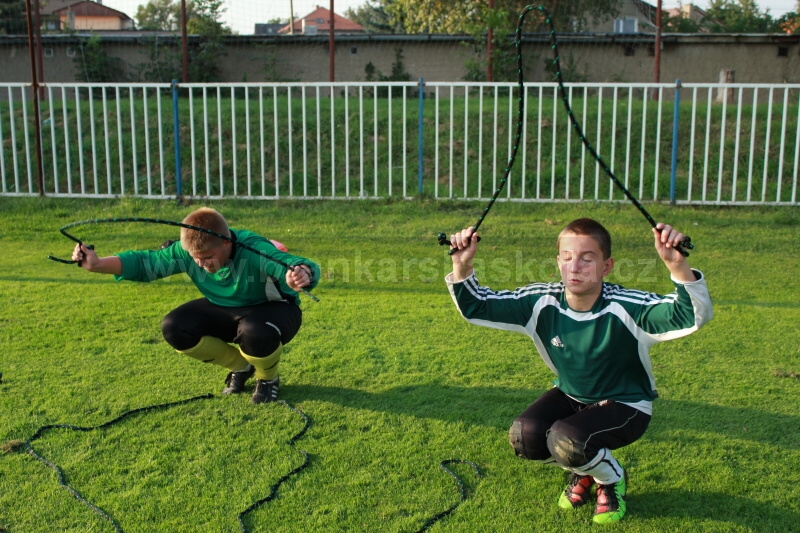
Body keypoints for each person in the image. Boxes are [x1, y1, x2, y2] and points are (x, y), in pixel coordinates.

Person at [445, 218, 712, 523]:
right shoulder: (542, 302)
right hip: (571, 395)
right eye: (568, 258)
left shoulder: (627, 307)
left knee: (567, 439)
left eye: (588, 259)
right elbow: (477, 306)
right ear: (558, 262)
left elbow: (691, 315)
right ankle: (585, 468)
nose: (575, 267)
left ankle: (610, 480)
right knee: (525, 437)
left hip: (626, 404)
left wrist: (677, 265)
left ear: (606, 266)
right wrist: (461, 264)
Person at [71, 207, 319, 404]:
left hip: (274, 309)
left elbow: (289, 262)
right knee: (174, 326)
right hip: (225, 308)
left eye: (208, 258)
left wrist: (301, 273)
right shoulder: (185, 251)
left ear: (226, 243)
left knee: (255, 331)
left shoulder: (252, 247)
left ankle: (267, 379)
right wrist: (98, 264)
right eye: (195, 259)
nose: (201, 265)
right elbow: (146, 263)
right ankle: (240, 368)